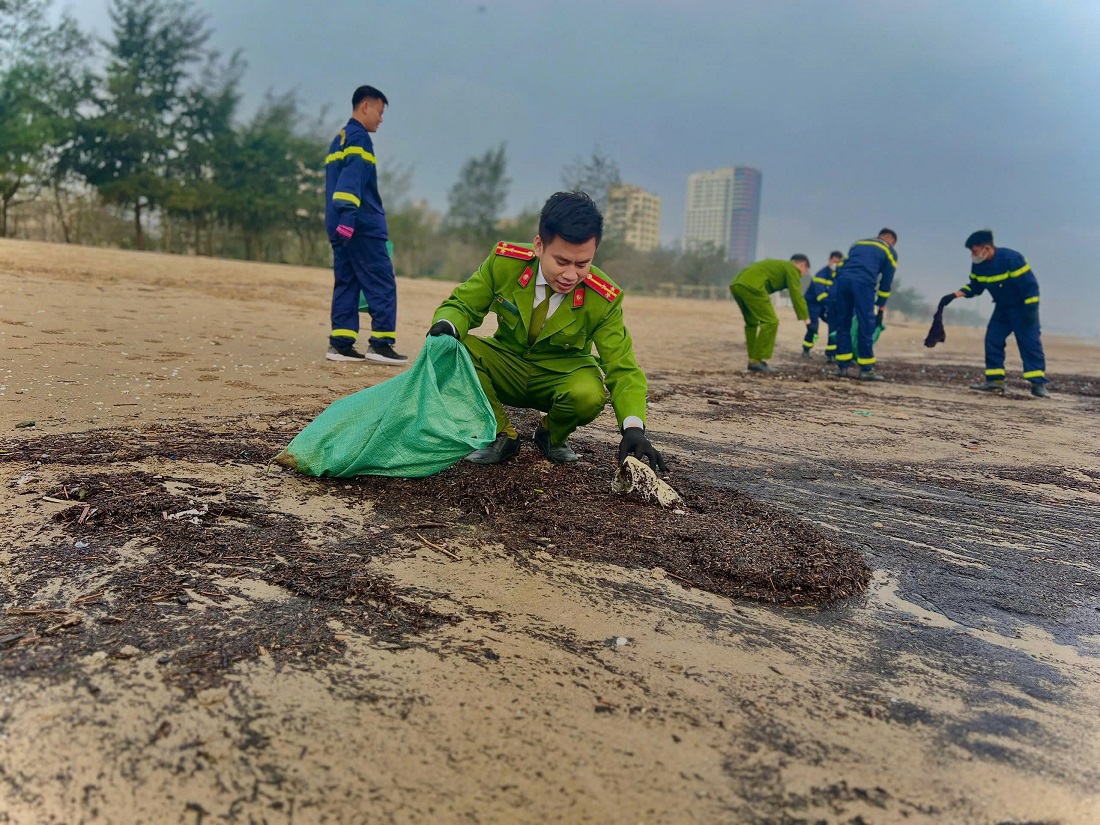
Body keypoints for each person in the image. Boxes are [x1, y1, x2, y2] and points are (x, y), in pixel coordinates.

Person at [427, 191, 667, 470]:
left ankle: (551, 434)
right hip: (507, 366)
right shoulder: (506, 263)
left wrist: (633, 428)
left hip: (559, 376)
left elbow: (622, 367)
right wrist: (448, 324)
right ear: (539, 245)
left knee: (589, 393)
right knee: (450, 347)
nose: (570, 275)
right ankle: (498, 433)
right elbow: (463, 305)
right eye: (562, 262)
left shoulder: (603, 298)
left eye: (582, 264)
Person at [323, 85, 407, 365]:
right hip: (361, 225)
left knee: (347, 281)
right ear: (366, 107)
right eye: (380, 112)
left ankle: (341, 343)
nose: (381, 119)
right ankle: (381, 343)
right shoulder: (359, 138)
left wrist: (341, 222)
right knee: (381, 280)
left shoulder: (341, 137)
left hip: (339, 224)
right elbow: (351, 179)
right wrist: (349, 218)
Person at [942, 230, 1050, 398]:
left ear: (987, 248)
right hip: (1002, 308)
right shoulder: (979, 265)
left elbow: (1030, 286)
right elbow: (975, 287)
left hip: (1023, 309)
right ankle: (995, 381)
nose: (973, 255)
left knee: (1029, 344)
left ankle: (1038, 384)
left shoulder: (1012, 259)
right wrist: (955, 294)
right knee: (993, 340)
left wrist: (1031, 310)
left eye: (975, 251)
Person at [831, 229, 898, 381]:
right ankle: (866, 369)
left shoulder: (858, 243)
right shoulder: (889, 250)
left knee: (843, 323)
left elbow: (842, 265)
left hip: (843, 283)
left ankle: (843, 367)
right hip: (863, 284)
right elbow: (886, 281)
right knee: (865, 324)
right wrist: (881, 304)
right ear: (892, 241)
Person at [729, 256, 812, 373]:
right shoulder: (792, 269)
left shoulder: (780, 265)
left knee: (751, 322)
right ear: (802, 265)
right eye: (806, 271)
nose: (803, 274)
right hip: (753, 286)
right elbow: (796, 294)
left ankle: (753, 359)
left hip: (737, 284)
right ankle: (757, 360)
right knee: (771, 321)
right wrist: (806, 319)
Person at [802, 251, 844, 360]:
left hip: (827, 303)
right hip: (813, 303)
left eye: (838, 262)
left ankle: (831, 353)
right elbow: (820, 294)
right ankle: (806, 349)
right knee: (813, 326)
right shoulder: (821, 274)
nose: (835, 264)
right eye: (834, 261)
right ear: (830, 260)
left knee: (833, 326)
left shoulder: (839, 275)